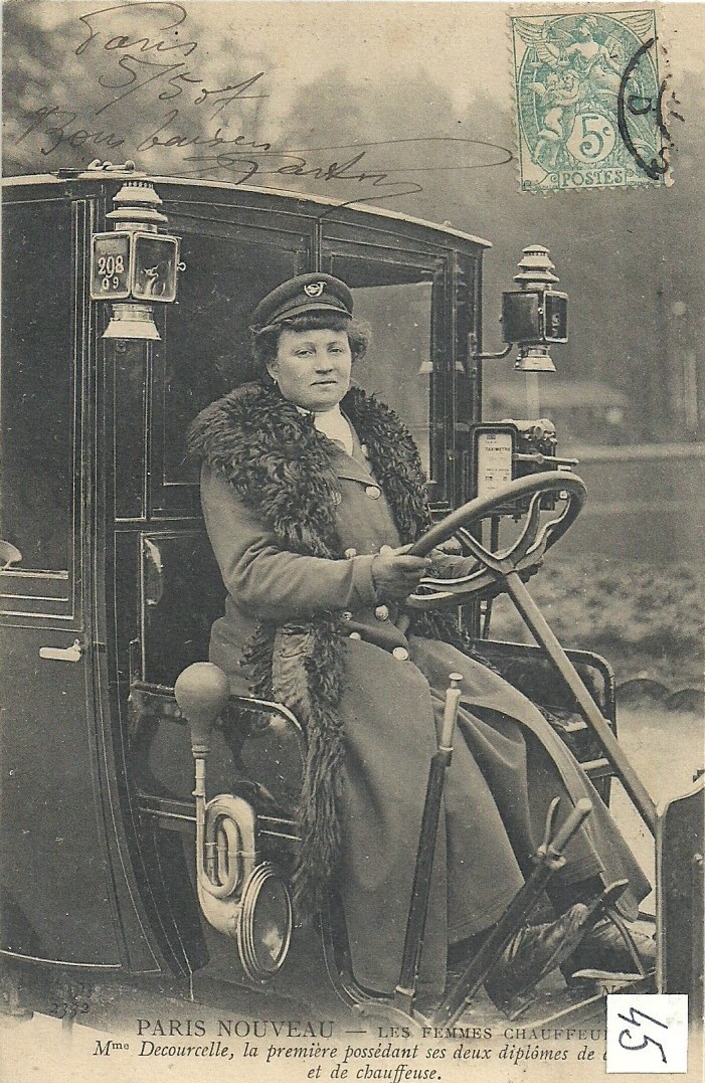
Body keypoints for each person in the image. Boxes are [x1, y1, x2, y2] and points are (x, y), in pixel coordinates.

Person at [188, 272, 654, 1011]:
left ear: (353, 353)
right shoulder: (239, 449)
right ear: (270, 365)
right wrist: (375, 574)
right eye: (303, 350)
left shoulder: (372, 436)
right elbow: (253, 576)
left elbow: (405, 544)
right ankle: (491, 943)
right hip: (290, 651)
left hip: (379, 634)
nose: (323, 363)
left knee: (509, 719)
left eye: (335, 346)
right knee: (421, 743)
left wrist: (443, 564)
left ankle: (597, 912)